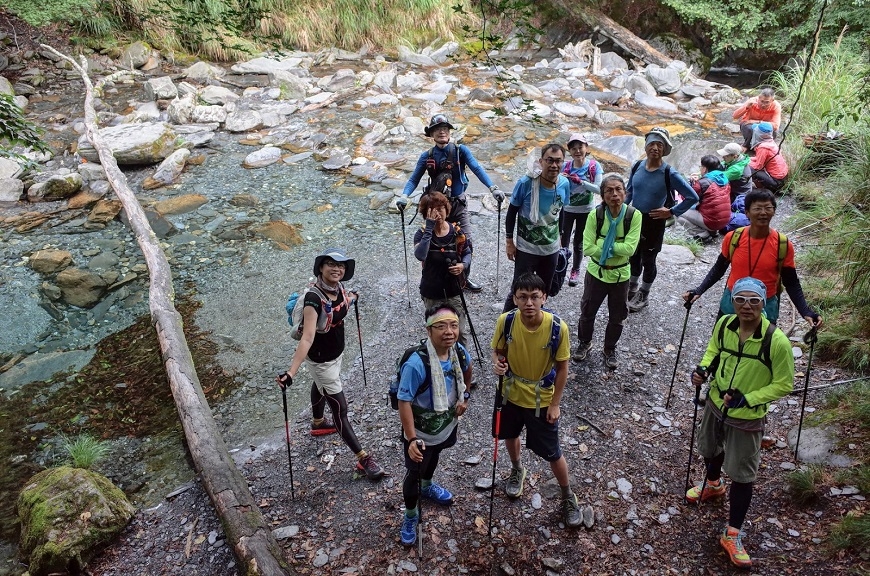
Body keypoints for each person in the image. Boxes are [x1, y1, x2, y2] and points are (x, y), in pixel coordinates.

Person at [685, 276, 794, 568]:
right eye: (741, 300)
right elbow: (713, 350)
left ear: (764, 304)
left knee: (743, 474)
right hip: (717, 402)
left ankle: (732, 533)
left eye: (754, 301)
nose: (747, 306)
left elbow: (784, 384)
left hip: (747, 416)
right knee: (708, 448)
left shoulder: (776, 341)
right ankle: (713, 484)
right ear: (733, 302)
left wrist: (751, 397)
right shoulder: (724, 325)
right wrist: (704, 369)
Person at [277, 248, 384, 481]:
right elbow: (307, 337)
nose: (337, 269)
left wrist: (353, 298)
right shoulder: (314, 300)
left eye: (341, 266)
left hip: (336, 355)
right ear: (321, 268)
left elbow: (342, 307)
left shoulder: (339, 289)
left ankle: (317, 423)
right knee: (341, 410)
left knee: (320, 384)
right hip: (321, 360)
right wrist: (291, 373)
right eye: (331, 264)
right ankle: (363, 458)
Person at [491, 272, 586, 528]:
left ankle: (567, 495)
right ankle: (516, 469)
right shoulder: (506, 321)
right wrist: (497, 364)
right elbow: (498, 351)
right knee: (510, 435)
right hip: (511, 393)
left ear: (544, 297)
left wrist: (555, 403)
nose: (529, 303)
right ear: (515, 299)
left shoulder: (558, 328)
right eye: (523, 297)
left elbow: (563, 367)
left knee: (553, 452)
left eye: (534, 297)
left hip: (541, 399)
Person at [684, 189, 823, 328]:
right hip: (733, 302)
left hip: (765, 306)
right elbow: (719, 268)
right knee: (723, 344)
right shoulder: (733, 238)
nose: (763, 213)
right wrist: (699, 290)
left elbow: (791, 282)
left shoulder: (783, 245)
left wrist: (805, 311)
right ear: (747, 213)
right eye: (757, 208)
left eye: (768, 208)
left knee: (760, 347)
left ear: (774, 211)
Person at [398, 114, 504, 293]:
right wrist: (404, 196)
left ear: (449, 132)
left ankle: (463, 278)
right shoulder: (427, 156)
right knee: (433, 244)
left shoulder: (461, 151)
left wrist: (493, 188)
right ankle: (432, 279)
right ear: (431, 134)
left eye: (445, 128)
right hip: (438, 208)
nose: (442, 131)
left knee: (466, 242)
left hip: (458, 204)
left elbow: (477, 168)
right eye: (438, 129)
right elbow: (414, 178)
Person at [397, 304, 472, 546]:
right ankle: (410, 515)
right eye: (440, 326)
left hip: (445, 423)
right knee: (414, 471)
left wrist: (465, 395)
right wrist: (410, 439)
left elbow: (468, 369)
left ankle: (428, 486)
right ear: (429, 331)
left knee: (436, 453)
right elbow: (404, 400)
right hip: (419, 430)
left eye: (453, 325)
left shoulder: (458, 351)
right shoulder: (416, 364)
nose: (449, 331)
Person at [572, 174, 641, 369]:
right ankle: (584, 342)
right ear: (602, 195)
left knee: (617, 316)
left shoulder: (633, 216)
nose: (614, 194)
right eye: (609, 190)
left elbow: (630, 249)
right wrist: (615, 246)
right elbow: (587, 248)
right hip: (596, 272)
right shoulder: (596, 214)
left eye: (618, 189)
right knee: (587, 311)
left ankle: (610, 348)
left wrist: (602, 243)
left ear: (625, 193)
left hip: (620, 275)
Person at [625, 127, 698, 312]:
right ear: (646, 146)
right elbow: (630, 191)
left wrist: (671, 211)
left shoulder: (669, 173)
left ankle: (644, 293)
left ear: (665, 148)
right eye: (652, 144)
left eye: (660, 144)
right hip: (634, 218)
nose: (655, 148)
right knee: (633, 255)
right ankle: (632, 287)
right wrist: (621, 211)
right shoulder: (637, 166)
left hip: (654, 221)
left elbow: (692, 197)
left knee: (649, 259)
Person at [503, 143, 570, 312]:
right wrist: (509, 241)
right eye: (549, 160)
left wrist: (560, 235)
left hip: (551, 248)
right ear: (541, 161)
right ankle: (506, 326)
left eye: (558, 161)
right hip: (527, 248)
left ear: (563, 163)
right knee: (519, 290)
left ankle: (534, 325)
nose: (554, 165)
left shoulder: (564, 184)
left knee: (542, 291)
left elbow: (561, 211)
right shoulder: (526, 183)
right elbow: (511, 213)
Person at [413, 191, 473, 345]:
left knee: (459, 331)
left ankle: (462, 362)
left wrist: (463, 265)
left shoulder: (457, 232)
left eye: (440, 208)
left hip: (453, 289)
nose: (437, 213)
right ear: (425, 213)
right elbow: (420, 255)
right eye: (432, 210)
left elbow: (467, 252)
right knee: (436, 331)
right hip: (432, 291)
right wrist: (429, 228)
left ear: (447, 210)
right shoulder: (421, 234)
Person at [560, 133, 603, 287]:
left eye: (580, 147)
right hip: (567, 209)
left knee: (579, 242)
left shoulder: (594, 166)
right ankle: (561, 267)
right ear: (569, 151)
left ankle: (575, 270)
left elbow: (599, 189)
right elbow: (556, 186)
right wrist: (562, 178)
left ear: (586, 148)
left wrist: (582, 182)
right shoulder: (565, 166)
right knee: (563, 241)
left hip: (586, 210)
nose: (577, 151)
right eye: (574, 148)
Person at [678, 155, 732, 242]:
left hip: (711, 221)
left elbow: (687, 197)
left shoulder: (703, 183)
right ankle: (713, 232)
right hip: (725, 219)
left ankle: (702, 233)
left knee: (679, 213)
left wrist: (692, 184)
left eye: (701, 166)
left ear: (705, 169)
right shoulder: (724, 179)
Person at [732, 87, 782, 151]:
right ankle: (746, 145)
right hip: (749, 125)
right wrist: (746, 107)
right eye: (762, 101)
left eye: (767, 102)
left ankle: (765, 146)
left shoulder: (776, 106)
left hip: (764, 126)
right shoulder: (752, 101)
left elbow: (776, 126)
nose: (763, 104)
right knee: (749, 128)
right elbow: (735, 116)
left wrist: (757, 122)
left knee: (774, 131)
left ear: (772, 100)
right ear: (759, 98)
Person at [749, 122, 789, 192]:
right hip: (782, 179)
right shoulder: (771, 142)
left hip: (776, 182)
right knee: (748, 163)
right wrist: (748, 159)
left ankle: (762, 188)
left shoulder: (763, 148)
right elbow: (762, 160)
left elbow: (758, 167)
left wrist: (745, 162)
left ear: (759, 134)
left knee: (749, 168)